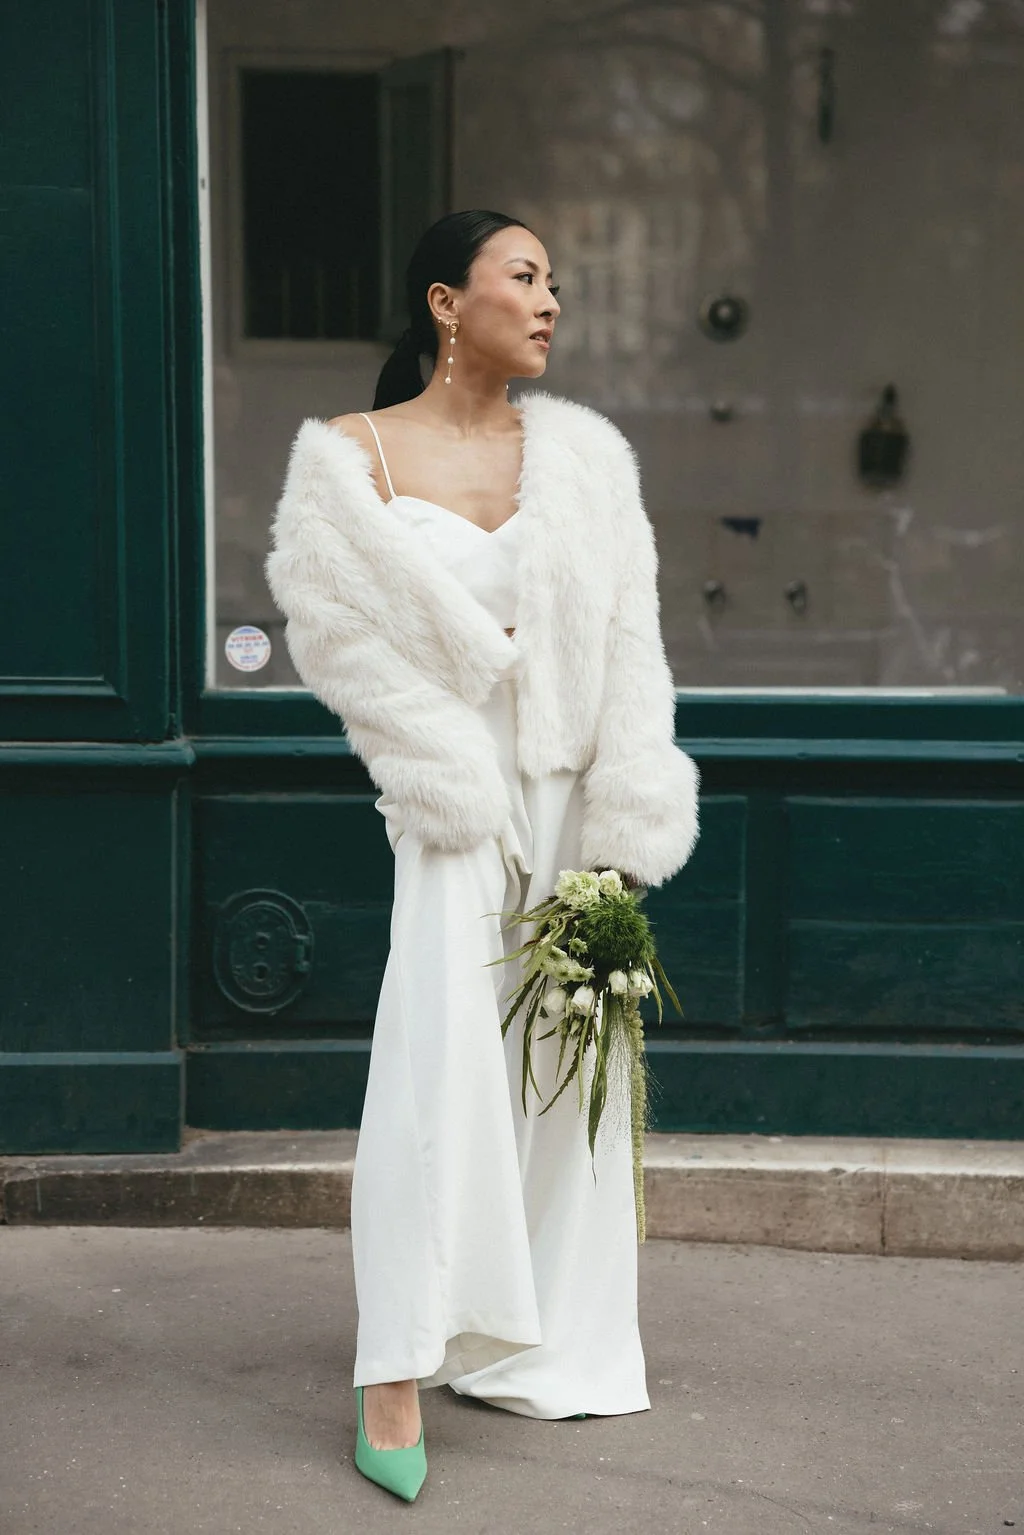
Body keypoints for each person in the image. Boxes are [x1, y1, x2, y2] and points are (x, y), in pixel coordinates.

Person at [265, 210, 700, 1502]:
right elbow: (333, 631)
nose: (551, 301)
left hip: (572, 783)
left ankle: (544, 1334)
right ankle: (394, 1359)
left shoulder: (587, 461)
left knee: (568, 1070)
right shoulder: (351, 458)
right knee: (437, 1059)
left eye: (556, 281)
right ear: (449, 303)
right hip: (456, 798)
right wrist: (441, 745)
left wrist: (624, 826)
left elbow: (633, 644)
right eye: (526, 277)